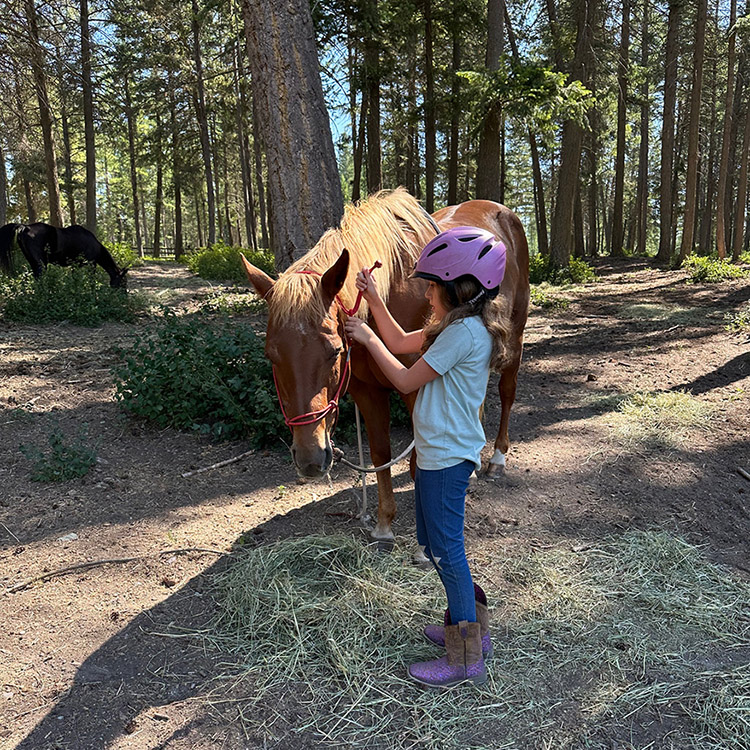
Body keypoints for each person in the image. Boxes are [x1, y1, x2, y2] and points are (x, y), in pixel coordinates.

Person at [344, 226, 509, 688]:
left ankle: (465, 657)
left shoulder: (463, 336)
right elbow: (398, 341)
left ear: (461, 287)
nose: (426, 294)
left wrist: (365, 339)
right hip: (438, 455)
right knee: (436, 544)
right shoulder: (454, 327)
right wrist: (374, 297)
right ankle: (468, 624)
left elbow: (402, 377)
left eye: (432, 286)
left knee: (447, 550)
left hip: (447, 458)